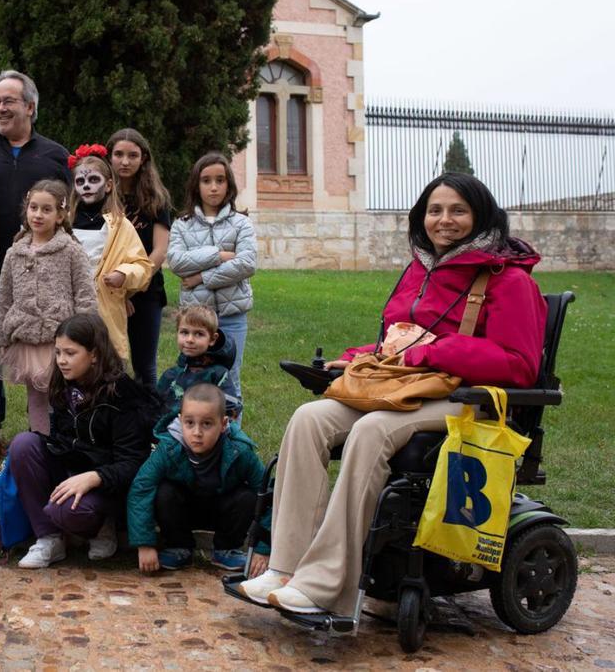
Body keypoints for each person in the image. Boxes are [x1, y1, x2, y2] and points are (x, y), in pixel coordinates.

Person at [236, 173, 548, 617]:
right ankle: (285, 567)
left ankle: (326, 584)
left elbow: (520, 364)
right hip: (405, 386)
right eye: (434, 211)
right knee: (309, 418)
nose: (444, 220)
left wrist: (437, 352)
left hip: (466, 398)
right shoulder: (420, 267)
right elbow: (400, 341)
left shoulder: (507, 280)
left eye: (458, 210)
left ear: (480, 216)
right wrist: (356, 357)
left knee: (371, 430)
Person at [7, 313, 156, 569]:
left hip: (108, 485)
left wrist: (93, 478)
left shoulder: (122, 393)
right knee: (23, 444)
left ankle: (102, 526)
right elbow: (61, 439)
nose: (61, 361)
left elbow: (134, 462)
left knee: (65, 511)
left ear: (95, 354)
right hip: (72, 470)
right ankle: (49, 538)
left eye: (70, 353)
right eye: (57, 352)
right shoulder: (64, 383)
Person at [0, 180, 98, 433]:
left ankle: (68, 441)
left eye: (46, 209)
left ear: (61, 215)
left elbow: (85, 295)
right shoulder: (15, 253)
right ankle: (40, 444)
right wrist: (1, 337)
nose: (38, 215)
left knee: (66, 397)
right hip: (27, 341)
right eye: (33, 208)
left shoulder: (71, 251)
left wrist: (87, 337)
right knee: (36, 398)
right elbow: (4, 297)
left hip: (62, 341)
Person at [128, 384, 270, 574]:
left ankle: (226, 549)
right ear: (180, 421)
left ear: (224, 424)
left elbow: (268, 493)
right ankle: (179, 547)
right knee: (164, 491)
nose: (197, 432)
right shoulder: (168, 449)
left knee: (248, 496)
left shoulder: (240, 451)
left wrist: (263, 548)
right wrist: (144, 544)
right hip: (183, 511)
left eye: (207, 424)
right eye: (189, 423)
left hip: (222, 512)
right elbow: (141, 488)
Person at [0, 70, 70, 287]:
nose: (1, 109)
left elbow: (70, 213)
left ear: (30, 107)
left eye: (8, 101)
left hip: (43, 271)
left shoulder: (57, 156)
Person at [166, 152, 256, 406]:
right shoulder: (182, 224)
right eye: (206, 180)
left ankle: (232, 440)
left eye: (220, 180)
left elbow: (246, 263)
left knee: (230, 379)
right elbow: (177, 262)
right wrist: (219, 255)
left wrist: (201, 277)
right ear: (196, 184)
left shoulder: (241, 223)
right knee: (195, 379)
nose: (214, 187)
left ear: (229, 184)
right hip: (196, 318)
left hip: (232, 315)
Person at [66, 145, 153, 362]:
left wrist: (123, 274)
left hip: (105, 310)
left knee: (106, 371)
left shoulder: (120, 225)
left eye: (93, 180)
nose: (86, 186)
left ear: (109, 185)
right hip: (69, 307)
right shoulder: (64, 224)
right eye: (80, 182)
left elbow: (143, 266)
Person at [107, 129, 172, 386]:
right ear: (109, 157)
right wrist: (117, 293)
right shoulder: (101, 196)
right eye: (119, 154)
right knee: (110, 366)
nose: (125, 161)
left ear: (143, 158)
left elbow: (159, 251)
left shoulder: (157, 199)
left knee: (145, 368)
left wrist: (130, 290)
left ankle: (149, 424)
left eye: (132, 155)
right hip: (108, 292)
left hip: (145, 293)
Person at [155, 305, 241, 435]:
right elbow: (155, 408)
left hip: (206, 439)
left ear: (212, 339)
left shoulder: (218, 374)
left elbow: (230, 409)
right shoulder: (170, 375)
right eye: (184, 332)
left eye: (199, 334)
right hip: (169, 441)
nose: (190, 340)